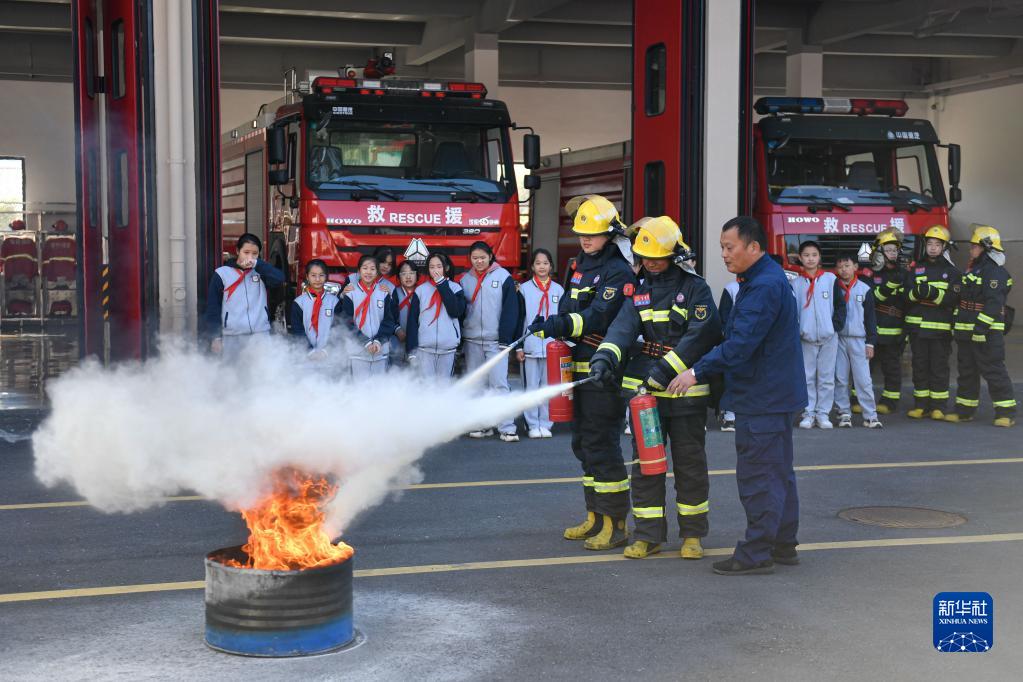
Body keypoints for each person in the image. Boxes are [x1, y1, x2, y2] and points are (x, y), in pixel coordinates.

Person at [671, 216, 806, 575]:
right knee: (778, 472)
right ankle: (782, 543)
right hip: (774, 394)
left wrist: (695, 372)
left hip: (763, 397)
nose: (724, 254)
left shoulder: (762, 286)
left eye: (729, 247)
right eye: (721, 247)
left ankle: (757, 552)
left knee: (759, 475)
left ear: (754, 247)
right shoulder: (763, 279)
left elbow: (740, 345)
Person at [588, 216, 721, 560]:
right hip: (646, 398)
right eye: (645, 257)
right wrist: (604, 358)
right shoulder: (639, 289)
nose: (650, 263)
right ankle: (648, 536)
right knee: (646, 466)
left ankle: (692, 535)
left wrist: (664, 370)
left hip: (685, 394)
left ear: (674, 255)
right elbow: (622, 329)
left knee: (690, 466)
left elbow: (700, 336)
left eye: (657, 257)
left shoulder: (696, 289)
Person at [528, 194, 638, 550]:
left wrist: (560, 324)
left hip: (604, 370)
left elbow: (599, 316)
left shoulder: (618, 271)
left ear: (610, 234)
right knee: (583, 444)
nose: (586, 239)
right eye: (581, 233)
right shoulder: (579, 266)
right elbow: (568, 306)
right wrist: (553, 322)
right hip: (578, 368)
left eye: (593, 234)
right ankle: (595, 516)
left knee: (602, 445)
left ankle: (615, 523)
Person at [946, 225, 1017, 427]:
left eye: (975, 246)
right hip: (967, 332)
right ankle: (964, 411)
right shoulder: (974, 270)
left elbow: (993, 304)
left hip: (986, 333)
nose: (971, 249)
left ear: (986, 248)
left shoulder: (995, 272)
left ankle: (1006, 413)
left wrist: (980, 329)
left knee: (994, 371)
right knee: (967, 372)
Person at [459, 241, 521, 442]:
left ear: (490, 257)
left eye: (482, 257)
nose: (479, 261)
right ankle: (482, 424)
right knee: (477, 385)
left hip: (496, 342)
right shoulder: (465, 280)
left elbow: (511, 310)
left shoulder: (503, 277)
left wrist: (506, 339)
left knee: (499, 384)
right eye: (475, 258)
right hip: (472, 340)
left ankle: (507, 427)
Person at [905, 226, 960, 420]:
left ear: (944, 247)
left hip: (940, 330)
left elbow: (954, 299)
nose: (933, 248)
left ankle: (938, 407)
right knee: (919, 367)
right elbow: (905, 296)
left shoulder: (952, 272)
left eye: (937, 244)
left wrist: (933, 294)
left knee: (939, 368)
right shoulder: (915, 268)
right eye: (930, 244)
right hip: (918, 330)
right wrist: (915, 294)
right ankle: (921, 406)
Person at [790, 241, 846, 429]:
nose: (810, 259)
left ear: (819, 257)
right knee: (807, 377)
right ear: (800, 258)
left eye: (814, 255)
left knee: (826, 377)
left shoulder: (830, 279)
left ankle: (823, 414)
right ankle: (808, 413)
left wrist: (834, 327)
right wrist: (798, 330)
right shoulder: (796, 284)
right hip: (806, 338)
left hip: (829, 337)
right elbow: (792, 311)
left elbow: (840, 305)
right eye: (806, 255)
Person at [203, 233, 285, 357]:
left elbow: (280, 279)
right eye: (246, 252)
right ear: (237, 251)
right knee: (232, 369)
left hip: (260, 335)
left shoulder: (261, 272)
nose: (250, 257)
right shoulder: (222, 274)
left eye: (254, 254)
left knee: (263, 369)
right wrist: (215, 337)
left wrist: (258, 264)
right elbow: (213, 307)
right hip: (232, 336)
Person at [861, 228, 909, 414]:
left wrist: (906, 332)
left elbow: (908, 302)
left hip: (894, 329)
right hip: (871, 330)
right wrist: (890, 287)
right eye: (888, 250)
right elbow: (871, 299)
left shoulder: (904, 274)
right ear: (879, 252)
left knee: (892, 368)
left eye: (894, 250)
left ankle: (889, 402)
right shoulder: (870, 274)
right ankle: (858, 400)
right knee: (864, 367)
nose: (892, 253)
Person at [517, 248, 564, 438]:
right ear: (532, 267)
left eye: (545, 263)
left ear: (551, 266)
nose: (542, 266)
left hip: (552, 347)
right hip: (530, 345)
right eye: (538, 263)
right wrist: (519, 346)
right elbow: (519, 319)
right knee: (531, 388)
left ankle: (545, 423)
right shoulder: (523, 289)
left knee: (547, 387)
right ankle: (531, 424)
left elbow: (563, 319)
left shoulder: (559, 290)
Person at [833, 254, 883, 429]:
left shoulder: (864, 289)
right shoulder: (834, 288)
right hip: (838, 339)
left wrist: (871, 342)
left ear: (855, 267)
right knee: (840, 378)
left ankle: (870, 415)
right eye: (840, 267)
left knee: (863, 379)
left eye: (847, 265)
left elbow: (870, 318)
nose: (843, 270)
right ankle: (844, 413)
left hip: (859, 340)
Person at [406, 253, 466, 378]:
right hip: (425, 349)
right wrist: (411, 350)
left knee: (444, 385)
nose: (435, 270)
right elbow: (412, 322)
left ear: (446, 268)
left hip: (448, 348)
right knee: (427, 386)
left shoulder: (456, 288)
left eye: (439, 266)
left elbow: (455, 311)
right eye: (432, 267)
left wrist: (442, 284)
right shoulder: (420, 290)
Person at [341, 255, 397, 378]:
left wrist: (378, 341)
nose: (368, 272)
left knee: (379, 387)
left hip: (380, 351)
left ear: (377, 272)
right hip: (357, 352)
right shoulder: (350, 292)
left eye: (372, 269)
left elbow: (388, 320)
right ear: (359, 271)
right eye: (365, 268)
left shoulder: (383, 292)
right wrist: (365, 342)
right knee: (359, 387)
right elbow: (347, 321)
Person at [289, 258, 341, 356]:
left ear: (326, 277)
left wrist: (326, 351)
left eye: (321, 275)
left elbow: (338, 328)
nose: (317, 279)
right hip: (305, 355)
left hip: (330, 355)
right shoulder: (299, 303)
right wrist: (310, 351)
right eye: (313, 275)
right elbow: (297, 330)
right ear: (307, 277)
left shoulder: (334, 302)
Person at [716, 278, 741, 431]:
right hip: (733, 341)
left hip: (755, 340)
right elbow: (723, 316)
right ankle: (729, 415)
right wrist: (727, 338)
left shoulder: (761, 285)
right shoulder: (732, 287)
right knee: (731, 377)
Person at [390, 260, 422, 368]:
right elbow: (389, 315)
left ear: (417, 275)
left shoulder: (422, 291)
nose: (408, 277)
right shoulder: (395, 292)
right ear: (399, 277)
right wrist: (397, 329)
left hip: (418, 342)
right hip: (399, 339)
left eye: (412, 273)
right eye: (404, 273)